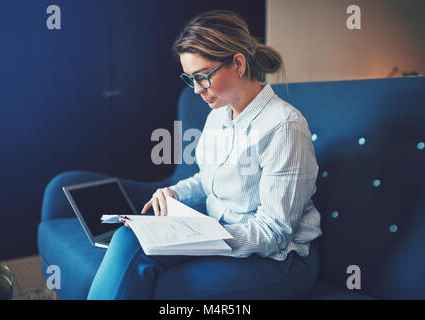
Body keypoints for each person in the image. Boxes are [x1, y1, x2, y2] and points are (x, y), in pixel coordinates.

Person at [87, 10, 322, 300]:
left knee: (164, 290)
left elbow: (274, 232)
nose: (197, 89)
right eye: (190, 79)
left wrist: (206, 239)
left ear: (238, 63)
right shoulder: (219, 115)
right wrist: (173, 191)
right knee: (127, 238)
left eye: (203, 77)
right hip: (218, 234)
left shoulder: (284, 127)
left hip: (279, 260)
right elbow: (207, 178)